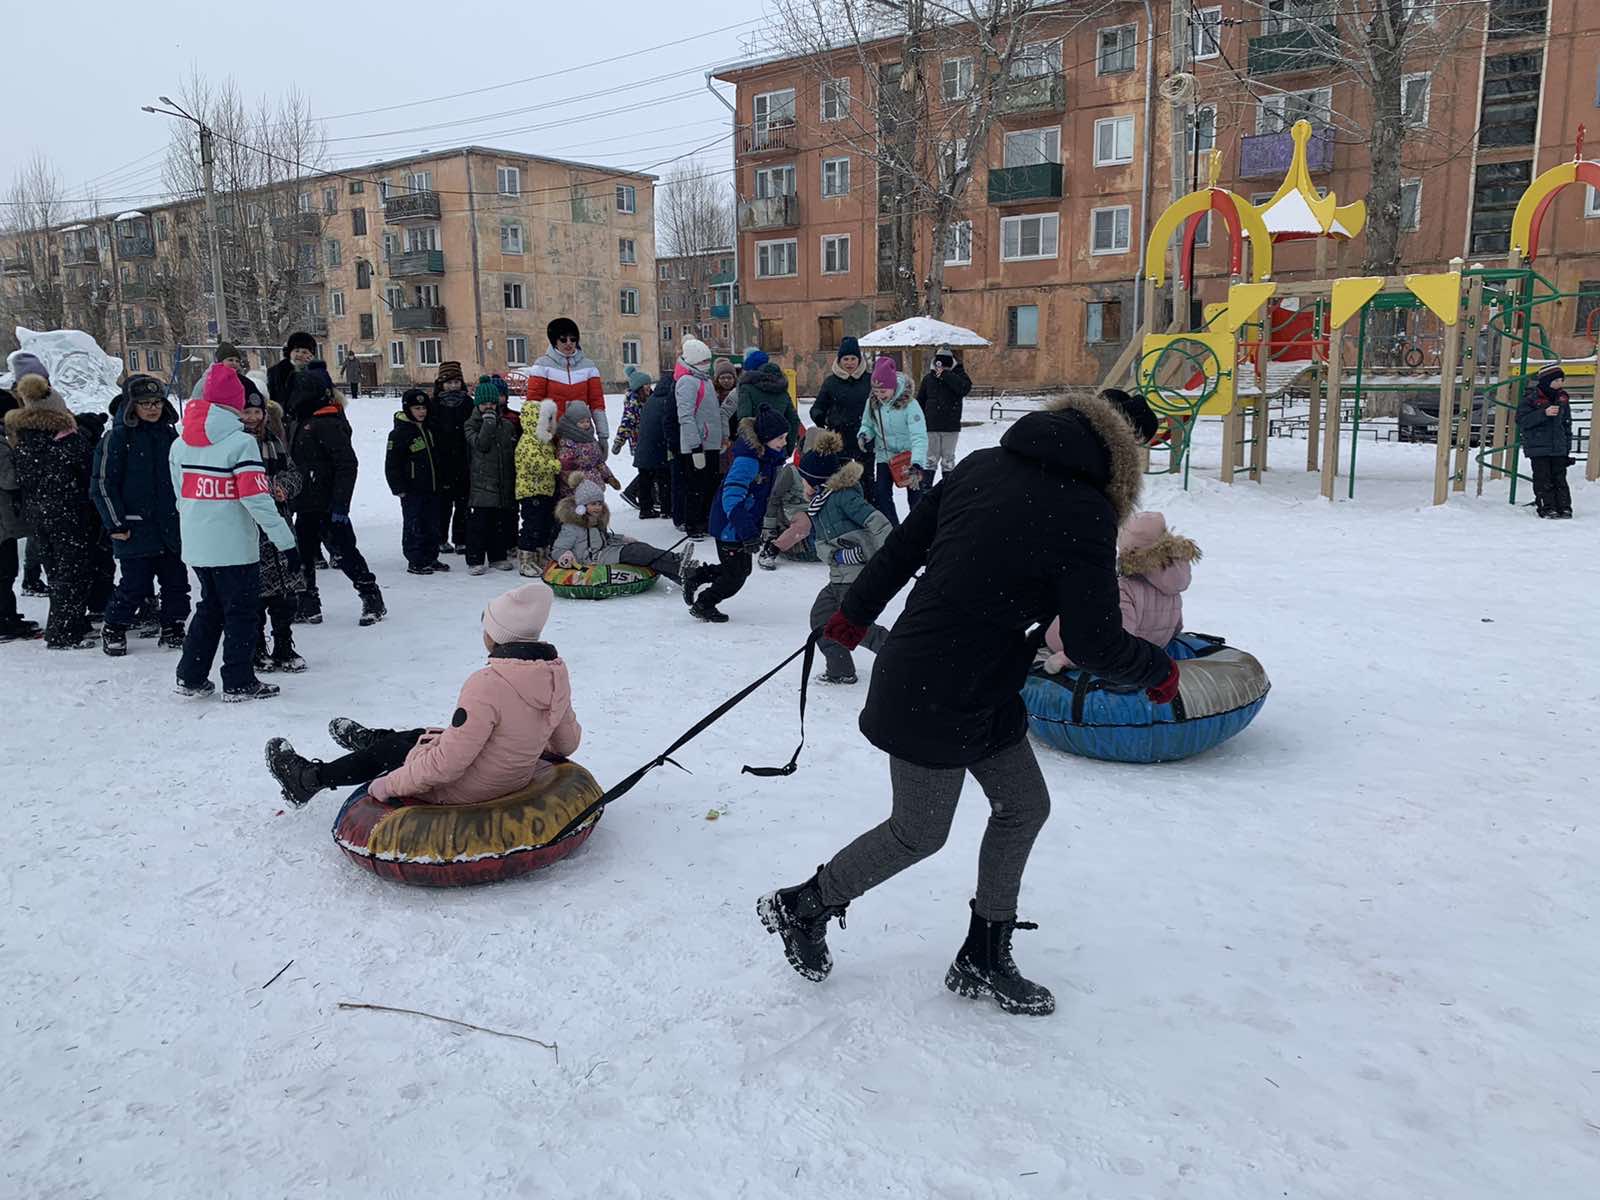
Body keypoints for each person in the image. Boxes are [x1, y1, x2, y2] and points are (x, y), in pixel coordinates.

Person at [757, 391, 1180, 1016]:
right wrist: (1155, 668)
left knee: (1024, 806)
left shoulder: (982, 463)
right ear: (1122, 453)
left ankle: (984, 950)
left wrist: (855, 615)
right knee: (918, 832)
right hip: (933, 686)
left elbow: (902, 551)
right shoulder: (1087, 509)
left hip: (981, 677)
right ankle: (804, 906)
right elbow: (1094, 640)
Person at [263, 580, 581, 808]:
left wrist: (388, 784)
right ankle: (373, 740)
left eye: (487, 626)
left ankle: (309, 779)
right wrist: (524, 741)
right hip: (510, 777)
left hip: (468, 789)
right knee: (420, 736)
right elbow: (567, 743)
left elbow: (448, 765)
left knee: (398, 753)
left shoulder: (488, 683)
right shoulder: (554, 674)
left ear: (498, 636)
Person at [170, 363, 300, 700]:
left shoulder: (180, 443)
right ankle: (239, 680)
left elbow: (180, 496)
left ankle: (191, 674)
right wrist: (286, 543)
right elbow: (257, 500)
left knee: (210, 607)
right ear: (234, 404)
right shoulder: (241, 444)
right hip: (234, 547)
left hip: (198, 545)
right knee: (242, 612)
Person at [90, 374, 189, 656]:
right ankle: (114, 625)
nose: (152, 408)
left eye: (157, 402)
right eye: (145, 403)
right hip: (133, 526)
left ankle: (173, 625)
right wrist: (115, 522)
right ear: (132, 405)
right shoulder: (117, 437)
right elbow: (102, 484)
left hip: (169, 523)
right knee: (135, 584)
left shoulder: (170, 434)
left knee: (176, 582)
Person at [288, 362, 386, 626]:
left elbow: (347, 465)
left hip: (329, 503)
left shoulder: (327, 422)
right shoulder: (300, 421)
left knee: (345, 553)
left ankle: (371, 597)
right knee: (303, 555)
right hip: (305, 502)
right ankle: (307, 603)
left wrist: (340, 505)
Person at [4, 372, 96, 648]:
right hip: (69, 514)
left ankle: (72, 622)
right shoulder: (69, 443)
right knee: (73, 572)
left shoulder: (23, 442)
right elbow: (86, 476)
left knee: (55, 570)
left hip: (38, 515)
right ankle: (64, 632)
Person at [1043, 512, 1200, 672]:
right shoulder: (1172, 586)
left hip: (1071, 642)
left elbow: (1114, 642)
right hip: (1152, 648)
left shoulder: (1125, 589)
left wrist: (1067, 659)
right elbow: (1176, 627)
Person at [799, 431, 893, 684]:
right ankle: (840, 669)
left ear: (817, 481)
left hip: (858, 575)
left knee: (852, 625)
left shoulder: (844, 497)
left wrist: (884, 555)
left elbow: (879, 523)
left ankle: (900, 658)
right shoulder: (818, 507)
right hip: (839, 575)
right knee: (822, 617)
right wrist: (838, 556)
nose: (802, 485)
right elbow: (819, 545)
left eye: (804, 480)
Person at [682, 405, 789, 623]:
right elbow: (731, 498)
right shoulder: (748, 461)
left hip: (741, 525)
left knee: (741, 569)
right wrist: (746, 531)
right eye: (780, 438)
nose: (784, 443)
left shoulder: (766, 458)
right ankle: (704, 604)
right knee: (735, 577)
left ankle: (698, 575)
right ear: (766, 438)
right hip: (730, 526)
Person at [240, 391, 307, 673]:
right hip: (248, 526)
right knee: (254, 593)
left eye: (258, 413)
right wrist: (266, 488)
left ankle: (283, 643)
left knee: (285, 592)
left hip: (279, 523)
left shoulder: (274, 442)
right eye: (248, 412)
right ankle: (255, 646)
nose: (254, 418)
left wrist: (285, 487)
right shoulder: (234, 445)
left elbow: (294, 473)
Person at [551, 474, 698, 584]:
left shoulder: (595, 521)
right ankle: (676, 561)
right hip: (593, 560)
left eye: (599, 503)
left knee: (641, 549)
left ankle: (679, 572)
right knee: (638, 552)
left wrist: (621, 539)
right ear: (582, 506)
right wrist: (565, 556)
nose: (598, 507)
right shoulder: (572, 527)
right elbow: (557, 549)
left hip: (605, 552)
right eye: (593, 504)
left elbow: (604, 538)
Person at [384, 389, 448, 576]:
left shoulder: (429, 429)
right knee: (415, 523)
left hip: (432, 487)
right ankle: (415, 559)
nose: (422, 412)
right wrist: (398, 487)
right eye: (417, 408)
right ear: (407, 409)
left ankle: (431, 556)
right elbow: (392, 464)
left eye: (424, 408)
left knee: (432, 523)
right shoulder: (399, 434)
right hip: (412, 489)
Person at [858, 357, 928, 528]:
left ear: (894, 386)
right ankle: (894, 530)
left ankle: (918, 530)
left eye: (883, 392)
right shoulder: (872, 403)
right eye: (876, 391)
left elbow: (919, 436)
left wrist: (917, 464)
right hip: (885, 455)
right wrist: (864, 435)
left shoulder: (910, 405)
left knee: (915, 498)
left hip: (910, 457)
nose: (879, 396)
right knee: (881, 494)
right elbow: (868, 424)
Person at [464, 377, 520, 575]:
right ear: (477, 404)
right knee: (479, 525)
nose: (488, 407)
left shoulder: (506, 426)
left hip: (502, 482)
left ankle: (498, 556)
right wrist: (487, 424)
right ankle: (475, 559)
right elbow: (481, 445)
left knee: (499, 524)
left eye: (492, 403)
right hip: (481, 484)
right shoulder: (470, 425)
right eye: (484, 403)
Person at [810, 335, 874, 507]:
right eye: (846, 359)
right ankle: (842, 508)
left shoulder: (870, 380)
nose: (850, 362)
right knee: (840, 479)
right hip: (840, 439)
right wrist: (819, 417)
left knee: (867, 479)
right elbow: (818, 406)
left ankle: (868, 510)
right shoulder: (831, 382)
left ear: (859, 360)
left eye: (853, 358)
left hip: (864, 438)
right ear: (839, 360)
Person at [526, 317, 608, 443]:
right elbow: (533, 404)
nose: (569, 343)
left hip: (582, 434)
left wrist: (603, 436)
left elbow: (597, 403)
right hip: (553, 435)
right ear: (554, 341)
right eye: (563, 339)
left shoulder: (589, 367)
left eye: (573, 339)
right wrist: (537, 436)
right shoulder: (542, 366)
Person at [0, 386, 40, 641]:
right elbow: (10, 480)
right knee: (4, 572)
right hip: (2, 523)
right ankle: (4, 621)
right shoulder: (1, 446)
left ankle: (8, 615)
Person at [673, 337, 720, 541]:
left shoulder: (705, 380)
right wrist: (695, 446)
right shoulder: (687, 382)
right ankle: (693, 524)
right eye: (702, 361)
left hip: (711, 443)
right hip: (697, 445)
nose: (706, 365)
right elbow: (686, 416)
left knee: (709, 485)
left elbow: (712, 413)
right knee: (695, 487)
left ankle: (705, 520)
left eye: (708, 361)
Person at [1517, 363, 1574, 519]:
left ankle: (1564, 507)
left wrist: (1566, 447)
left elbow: (1567, 424)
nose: (1560, 384)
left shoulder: (1562, 399)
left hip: (1558, 447)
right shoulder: (1530, 400)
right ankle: (1546, 507)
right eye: (1556, 381)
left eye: (1561, 380)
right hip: (1538, 447)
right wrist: (1544, 413)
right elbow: (1522, 421)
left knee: (1560, 478)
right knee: (1543, 478)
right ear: (1546, 382)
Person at [915, 344, 971, 492]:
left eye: (945, 362)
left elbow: (964, 388)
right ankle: (925, 491)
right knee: (930, 460)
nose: (942, 366)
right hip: (931, 426)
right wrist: (917, 421)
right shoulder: (928, 379)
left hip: (950, 427)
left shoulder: (959, 375)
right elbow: (920, 400)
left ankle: (948, 491)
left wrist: (947, 375)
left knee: (948, 460)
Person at [514, 399, 561, 576]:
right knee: (531, 526)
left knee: (543, 525)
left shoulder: (545, 441)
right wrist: (556, 465)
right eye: (546, 420)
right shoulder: (528, 441)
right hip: (531, 491)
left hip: (545, 490)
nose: (550, 424)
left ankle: (540, 558)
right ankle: (526, 560)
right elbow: (536, 464)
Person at [431, 362, 472, 554]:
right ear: (441, 384)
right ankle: (440, 538)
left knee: (463, 504)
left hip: (464, 460)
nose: (453, 386)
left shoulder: (468, 403)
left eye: (456, 382)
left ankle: (461, 538)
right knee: (443, 505)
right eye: (448, 382)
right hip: (442, 461)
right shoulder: (434, 404)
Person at [735, 349, 801, 455]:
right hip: (778, 447)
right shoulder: (782, 390)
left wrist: (754, 447)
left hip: (755, 448)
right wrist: (788, 447)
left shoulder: (747, 388)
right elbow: (793, 420)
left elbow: (744, 419)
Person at [632, 370, 674, 521]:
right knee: (664, 478)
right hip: (659, 447)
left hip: (644, 446)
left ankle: (645, 508)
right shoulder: (668, 400)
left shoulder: (651, 400)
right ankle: (666, 509)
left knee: (645, 479)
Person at [557, 400, 620, 498]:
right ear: (572, 423)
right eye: (581, 422)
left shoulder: (591, 439)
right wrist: (576, 483)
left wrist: (609, 477)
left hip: (594, 488)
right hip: (576, 490)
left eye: (587, 421)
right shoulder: (568, 443)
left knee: (595, 511)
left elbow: (599, 462)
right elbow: (565, 468)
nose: (586, 424)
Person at [612, 366, 653, 507]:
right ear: (638, 388)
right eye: (645, 385)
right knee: (648, 470)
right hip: (639, 441)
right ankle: (631, 492)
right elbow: (627, 423)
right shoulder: (633, 402)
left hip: (650, 439)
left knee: (651, 469)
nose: (648, 387)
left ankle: (648, 496)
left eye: (649, 384)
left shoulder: (649, 398)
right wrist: (619, 441)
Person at [267, 331, 318, 409]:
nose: (300, 355)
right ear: (289, 352)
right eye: (296, 350)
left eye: (304, 352)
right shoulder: (277, 372)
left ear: (311, 355)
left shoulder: (317, 372)